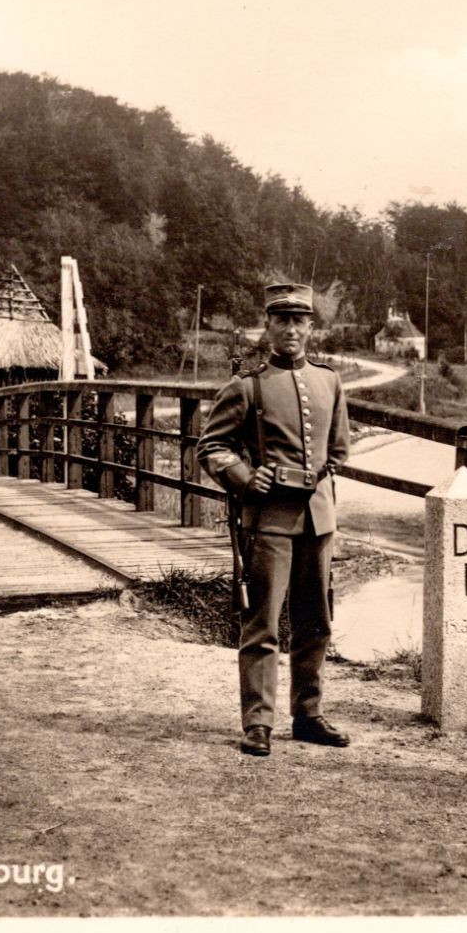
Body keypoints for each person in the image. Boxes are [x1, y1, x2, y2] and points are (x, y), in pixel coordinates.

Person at [197, 283, 352, 757]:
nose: (291, 329)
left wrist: (320, 474)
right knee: (262, 624)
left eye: (299, 320)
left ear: (311, 327)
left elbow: (339, 449)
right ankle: (258, 722)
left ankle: (308, 714)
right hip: (269, 521)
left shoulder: (329, 381)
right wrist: (246, 478)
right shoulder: (248, 387)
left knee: (316, 623)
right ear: (267, 327)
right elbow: (211, 447)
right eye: (281, 320)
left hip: (318, 521)